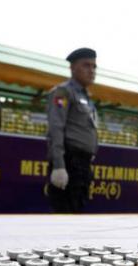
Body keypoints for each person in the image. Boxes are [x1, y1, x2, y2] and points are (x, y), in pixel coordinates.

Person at [45, 48, 98, 213]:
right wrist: (59, 166)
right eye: (86, 65)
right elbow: (56, 127)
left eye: (94, 67)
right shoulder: (63, 92)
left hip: (82, 164)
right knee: (66, 216)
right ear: (73, 68)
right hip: (69, 162)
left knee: (76, 214)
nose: (92, 70)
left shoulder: (86, 96)